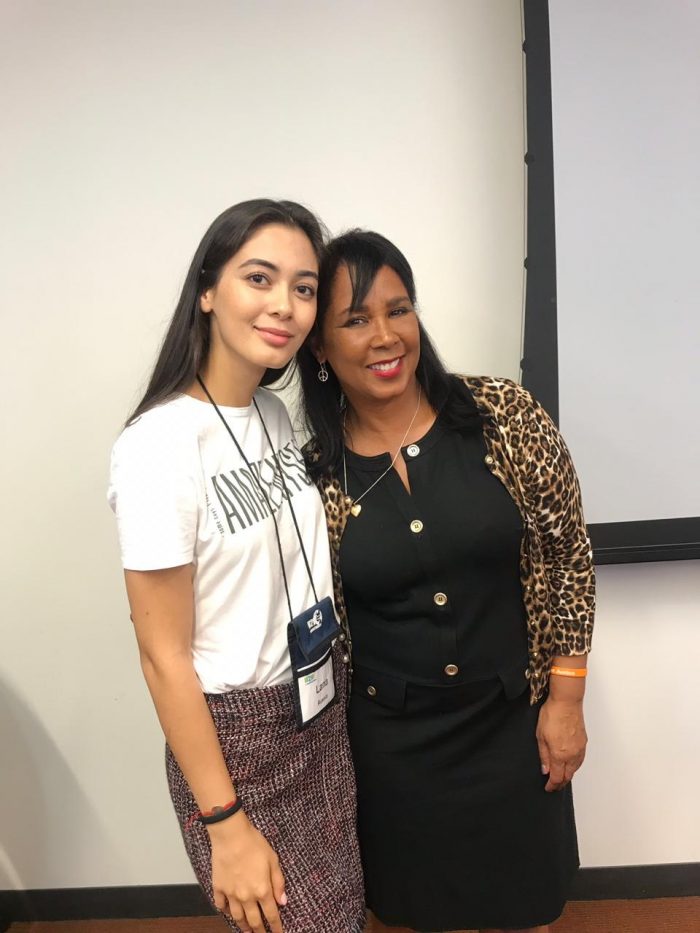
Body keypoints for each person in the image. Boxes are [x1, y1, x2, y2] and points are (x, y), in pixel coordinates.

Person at [297, 230, 595, 933]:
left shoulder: (502, 415)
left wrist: (567, 698)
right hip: (393, 747)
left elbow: (567, 555)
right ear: (319, 347)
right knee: (423, 912)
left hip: (512, 722)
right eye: (356, 319)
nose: (385, 336)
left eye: (398, 309)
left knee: (524, 909)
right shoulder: (313, 472)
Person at [107, 200, 364, 933]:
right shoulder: (158, 446)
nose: (285, 305)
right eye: (259, 278)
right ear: (207, 291)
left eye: (304, 288)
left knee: (343, 916)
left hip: (317, 707)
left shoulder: (273, 415)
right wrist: (223, 821)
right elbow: (162, 656)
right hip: (239, 740)